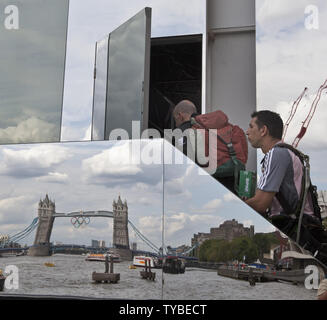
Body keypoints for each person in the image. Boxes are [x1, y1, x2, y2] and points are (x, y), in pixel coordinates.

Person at [245, 110, 327, 264]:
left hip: (297, 230)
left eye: (251, 127)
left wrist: (241, 204)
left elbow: (261, 203)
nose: (247, 131)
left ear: (263, 130)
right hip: (307, 227)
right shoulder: (289, 153)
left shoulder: (275, 154)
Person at [172, 100, 248, 194]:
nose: (175, 124)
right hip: (233, 184)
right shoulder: (218, 127)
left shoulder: (182, 132)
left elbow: (182, 165)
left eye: (175, 119)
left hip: (207, 190)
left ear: (180, 115)